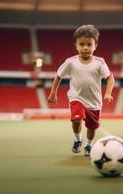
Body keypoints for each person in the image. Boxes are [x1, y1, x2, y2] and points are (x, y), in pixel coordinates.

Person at [47, 25, 115, 156]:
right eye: (81, 44)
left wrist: (108, 93)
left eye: (89, 44)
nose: (85, 47)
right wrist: (53, 92)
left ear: (95, 46)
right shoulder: (71, 62)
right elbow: (58, 76)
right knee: (76, 120)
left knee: (91, 127)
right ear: (76, 46)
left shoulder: (100, 62)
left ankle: (89, 145)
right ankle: (78, 140)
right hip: (76, 97)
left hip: (94, 101)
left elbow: (110, 78)